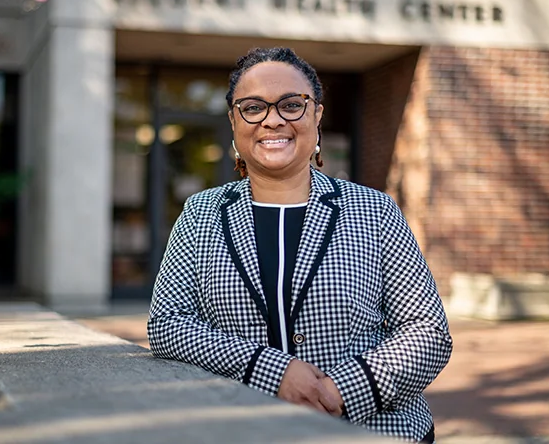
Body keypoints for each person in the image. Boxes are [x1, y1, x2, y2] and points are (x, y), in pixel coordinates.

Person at [147, 47, 452, 443]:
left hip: (378, 430)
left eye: (291, 104)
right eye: (253, 107)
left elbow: (427, 332)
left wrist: (341, 390)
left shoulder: (374, 210)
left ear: (317, 115)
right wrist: (272, 371)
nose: (273, 120)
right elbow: (168, 324)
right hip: (249, 430)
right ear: (234, 121)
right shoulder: (201, 213)